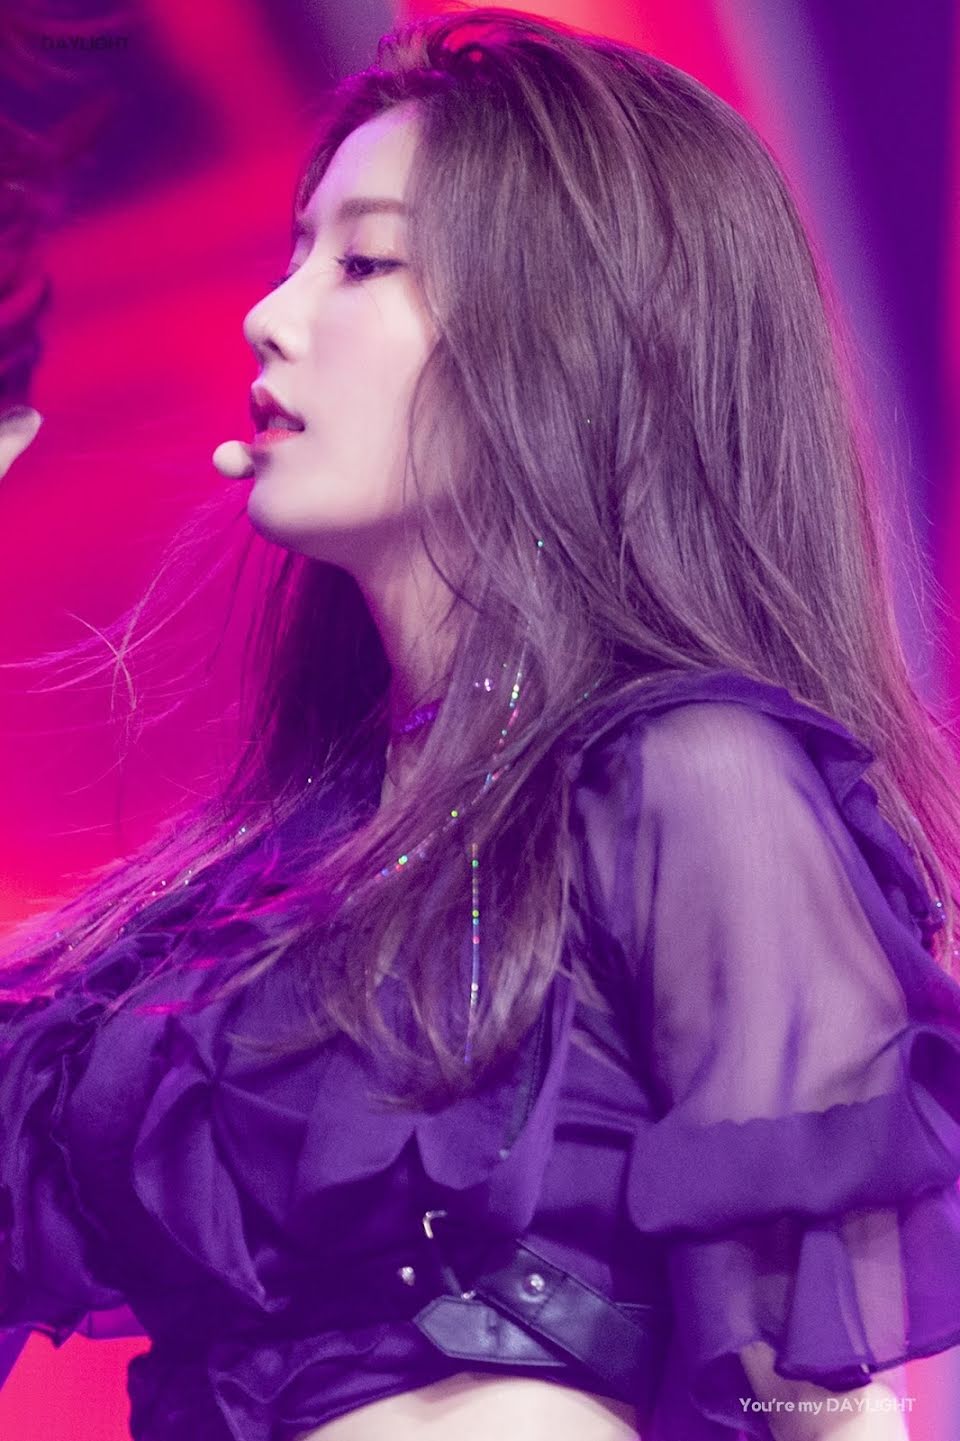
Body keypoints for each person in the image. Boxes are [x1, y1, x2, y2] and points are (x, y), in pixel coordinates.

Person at [2, 8, 960, 1440]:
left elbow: (821, 1409)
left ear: (561, 339)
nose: (271, 315)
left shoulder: (690, 779)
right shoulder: (231, 909)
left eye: (363, 262)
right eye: (294, 254)